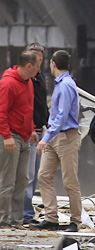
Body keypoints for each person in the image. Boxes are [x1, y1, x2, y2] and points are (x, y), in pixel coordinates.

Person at [32, 50, 81, 232]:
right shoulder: (61, 84)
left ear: (52, 63)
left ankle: (75, 221)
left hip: (66, 137)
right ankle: (51, 217)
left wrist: (45, 138)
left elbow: (62, 116)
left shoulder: (67, 85)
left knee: (70, 181)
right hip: (54, 136)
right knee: (44, 176)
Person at [0, 50, 40, 228]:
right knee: (7, 180)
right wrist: (6, 137)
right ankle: (3, 219)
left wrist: (31, 129)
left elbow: (26, 109)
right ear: (29, 66)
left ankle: (16, 220)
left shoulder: (29, 82)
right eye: (38, 66)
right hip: (11, 137)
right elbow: (1, 113)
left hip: (24, 137)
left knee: (22, 179)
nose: (40, 69)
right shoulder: (8, 84)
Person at [23, 43, 49, 225]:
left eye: (40, 58)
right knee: (28, 176)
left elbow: (40, 103)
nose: (38, 62)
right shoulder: (25, 79)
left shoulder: (39, 78)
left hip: (40, 131)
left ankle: (27, 212)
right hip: (30, 132)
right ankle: (25, 214)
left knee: (35, 176)